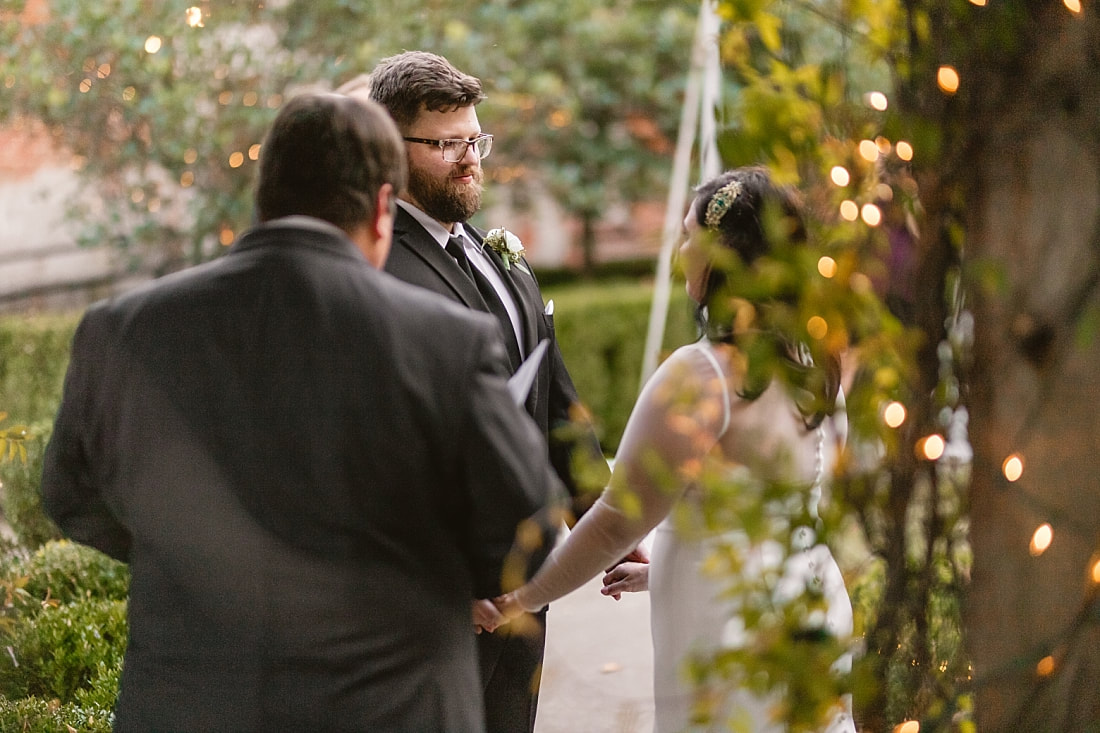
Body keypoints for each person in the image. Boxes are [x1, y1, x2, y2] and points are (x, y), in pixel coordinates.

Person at [40, 92, 565, 733]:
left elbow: (70, 494)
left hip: (193, 703)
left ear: (265, 196)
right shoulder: (443, 340)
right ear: (380, 207)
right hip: (393, 701)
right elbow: (525, 524)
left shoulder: (124, 329)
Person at [493, 167, 857, 732]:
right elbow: (772, 505)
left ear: (721, 255)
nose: (681, 250)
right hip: (811, 608)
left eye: (689, 236)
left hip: (730, 631)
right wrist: (660, 566)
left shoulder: (701, 375)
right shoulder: (811, 358)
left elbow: (616, 522)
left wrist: (520, 599)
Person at [338, 51, 615, 733]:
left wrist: (603, 516)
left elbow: (552, 393)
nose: (470, 159)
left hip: (530, 584)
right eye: (446, 145)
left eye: (475, 140)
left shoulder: (495, 254)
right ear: (391, 152)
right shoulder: (381, 272)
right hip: (447, 602)